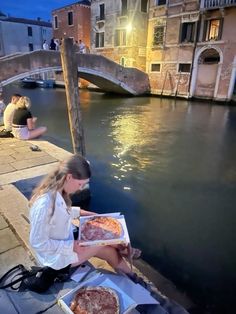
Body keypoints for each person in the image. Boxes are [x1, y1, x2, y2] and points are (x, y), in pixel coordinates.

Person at [29, 154, 134, 275]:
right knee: (106, 240)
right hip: (57, 259)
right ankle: (129, 263)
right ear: (69, 177)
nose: (81, 188)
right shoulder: (44, 205)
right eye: (80, 184)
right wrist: (71, 246)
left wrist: (93, 215)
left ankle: (129, 267)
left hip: (65, 238)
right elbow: (37, 242)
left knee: (109, 249)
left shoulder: (57, 191)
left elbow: (63, 212)